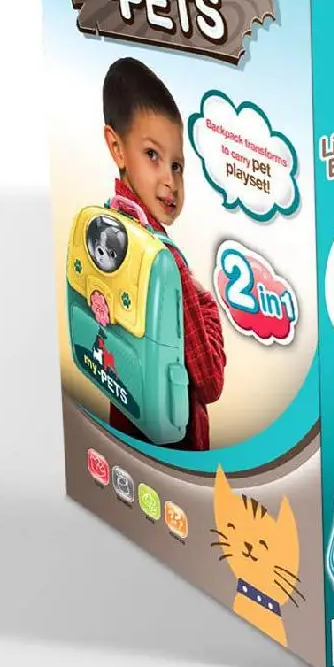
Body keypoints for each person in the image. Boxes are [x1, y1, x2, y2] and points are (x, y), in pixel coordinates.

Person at [101, 56, 225, 450]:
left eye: (177, 165)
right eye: (152, 155)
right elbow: (210, 381)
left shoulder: (106, 227)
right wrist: (207, 305)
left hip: (127, 420)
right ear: (117, 147)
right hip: (178, 441)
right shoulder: (163, 261)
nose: (170, 181)